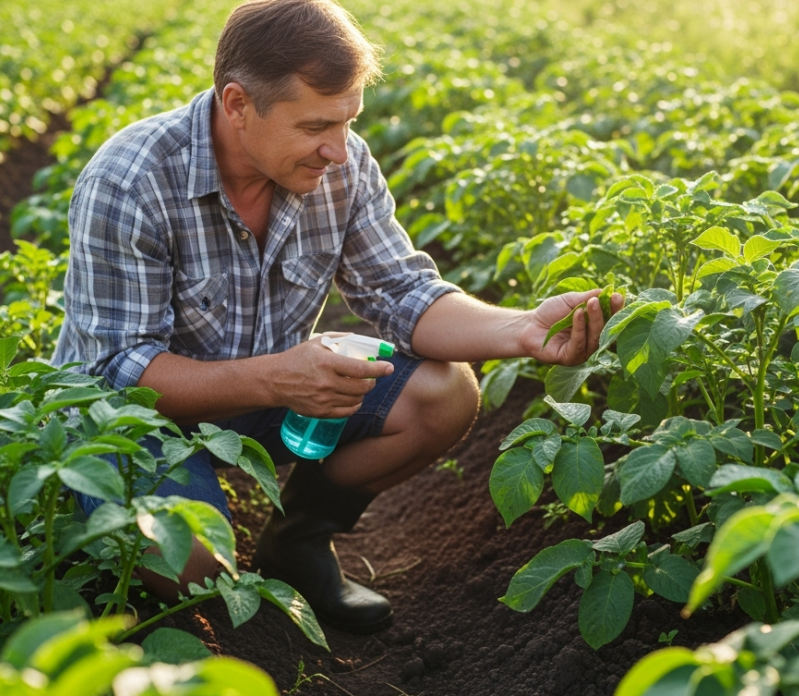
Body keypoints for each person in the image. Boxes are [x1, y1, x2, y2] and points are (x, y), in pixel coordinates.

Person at [52, 0, 622, 635]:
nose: (339, 150)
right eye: (314, 126)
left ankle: (296, 543)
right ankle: (93, 539)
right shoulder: (132, 179)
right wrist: (278, 379)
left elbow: (403, 292)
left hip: (266, 395)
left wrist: (518, 329)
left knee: (443, 393)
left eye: (348, 122)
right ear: (237, 104)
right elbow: (118, 375)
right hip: (133, 419)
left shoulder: (335, 168)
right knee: (194, 565)